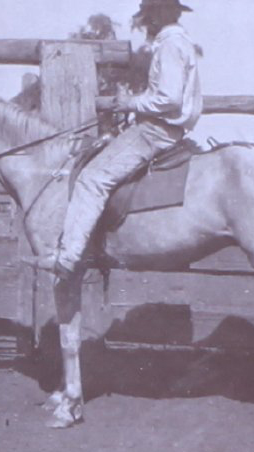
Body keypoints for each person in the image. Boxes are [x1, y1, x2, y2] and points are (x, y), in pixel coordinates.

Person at [36, 0, 202, 277]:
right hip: (163, 129)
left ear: (165, 14)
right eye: (148, 12)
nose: (147, 19)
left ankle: (68, 257)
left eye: (152, 12)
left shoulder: (171, 46)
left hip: (154, 131)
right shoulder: (178, 44)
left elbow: (169, 98)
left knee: (92, 179)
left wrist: (130, 103)